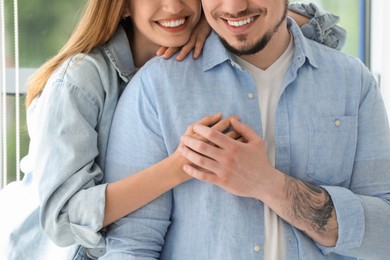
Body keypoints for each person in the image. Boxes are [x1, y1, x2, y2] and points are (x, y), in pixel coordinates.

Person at [0, 0, 345, 260]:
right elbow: (62, 220)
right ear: (122, 7)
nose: (174, 6)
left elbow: (324, 29)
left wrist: (223, 21)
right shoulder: (80, 81)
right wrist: (184, 165)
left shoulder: (190, 61)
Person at [102, 1, 390, 260]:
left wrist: (269, 185)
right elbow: (130, 248)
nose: (234, 7)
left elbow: (385, 236)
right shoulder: (156, 89)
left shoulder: (353, 83)